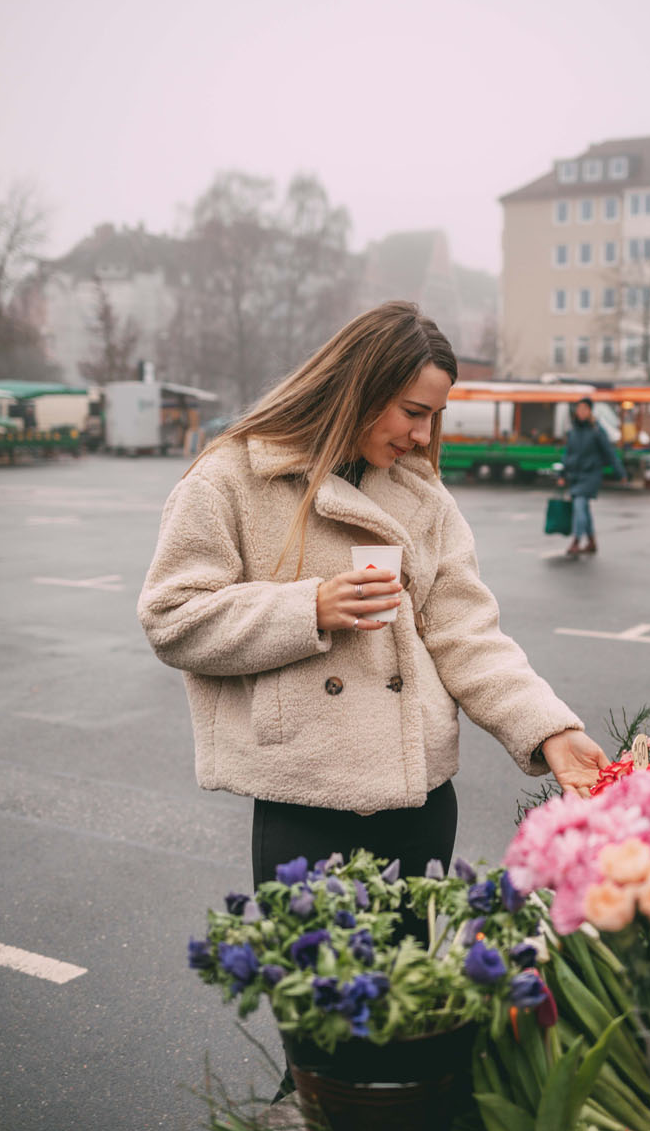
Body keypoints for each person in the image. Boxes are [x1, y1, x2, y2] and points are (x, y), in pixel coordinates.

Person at [138, 300, 611, 894]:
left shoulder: (423, 494)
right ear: (359, 389)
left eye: (434, 416)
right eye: (413, 412)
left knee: (417, 979)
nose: (423, 435)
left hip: (421, 796)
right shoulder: (231, 476)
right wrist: (309, 609)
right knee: (320, 987)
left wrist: (549, 730)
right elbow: (172, 616)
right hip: (305, 799)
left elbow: (467, 634)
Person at [558, 398, 620, 556]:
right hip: (576, 475)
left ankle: (576, 541)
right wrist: (562, 473)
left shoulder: (597, 431)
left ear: (590, 411)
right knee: (584, 509)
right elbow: (568, 454)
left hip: (591, 475)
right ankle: (591, 541)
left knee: (579, 505)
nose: (581, 412)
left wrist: (620, 472)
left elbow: (609, 452)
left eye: (585, 409)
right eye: (579, 409)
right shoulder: (573, 431)